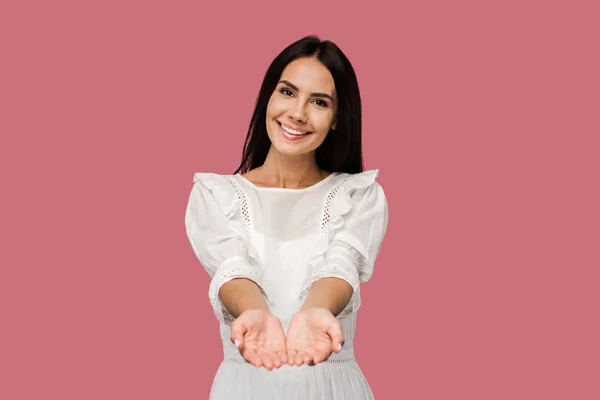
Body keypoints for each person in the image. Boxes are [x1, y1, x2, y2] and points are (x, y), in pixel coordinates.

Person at [184, 35, 388, 399]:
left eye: (319, 102)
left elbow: (341, 266)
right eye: (288, 92)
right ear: (269, 96)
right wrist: (254, 312)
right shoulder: (215, 195)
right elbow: (232, 268)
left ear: (338, 117)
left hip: (332, 388)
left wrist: (316, 311)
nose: (297, 113)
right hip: (243, 388)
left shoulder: (359, 194)